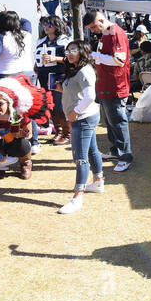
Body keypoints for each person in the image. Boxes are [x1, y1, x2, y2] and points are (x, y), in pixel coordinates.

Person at [57, 41, 105, 214]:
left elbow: (90, 96)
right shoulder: (76, 68)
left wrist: (75, 112)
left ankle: (77, 197)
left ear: (82, 52)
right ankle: (98, 182)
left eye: (74, 50)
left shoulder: (84, 70)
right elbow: (79, 93)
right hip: (85, 117)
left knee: (80, 158)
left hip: (83, 118)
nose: (69, 53)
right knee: (92, 150)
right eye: (68, 50)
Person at [85, 10, 133, 173]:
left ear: (100, 20)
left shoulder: (115, 33)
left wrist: (95, 56)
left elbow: (119, 60)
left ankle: (126, 156)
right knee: (110, 121)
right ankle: (116, 150)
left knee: (118, 122)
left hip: (116, 86)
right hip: (105, 85)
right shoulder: (106, 34)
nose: (92, 31)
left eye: (93, 27)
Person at [0, 86, 34, 179]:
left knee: (23, 144)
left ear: (8, 103)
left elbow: (29, 135)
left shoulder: (18, 115)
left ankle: (25, 164)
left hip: (15, 143)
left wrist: (22, 133)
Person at [34, 18, 71, 144]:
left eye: (49, 24)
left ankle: (67, 134)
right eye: (44, 24)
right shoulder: (41, 41)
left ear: (57, 25)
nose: (46, 27)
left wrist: (55, 58)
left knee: (60, 105)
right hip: (43, 76)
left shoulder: (64, 40)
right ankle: (58, 131)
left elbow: (72, 58)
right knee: (50, 105)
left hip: (57, 75)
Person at [0, 9, 35, 81]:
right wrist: (11, 16)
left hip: (6, 75)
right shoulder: (26, 33)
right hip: (28, 74)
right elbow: (26, 21)